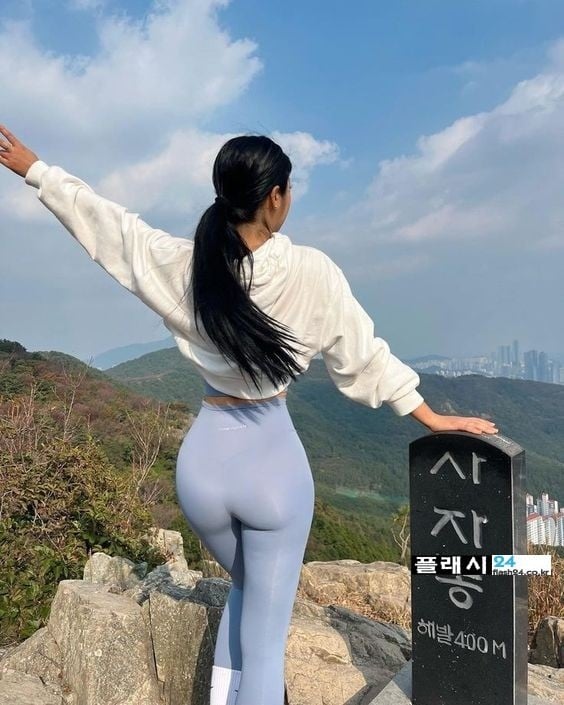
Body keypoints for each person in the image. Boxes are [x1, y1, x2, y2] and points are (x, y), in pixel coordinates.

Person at [0, 125, 498, 705]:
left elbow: (115, 233)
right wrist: (431, 417)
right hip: (271, 472)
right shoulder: (312, 271)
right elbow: (365, 356)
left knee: (249, 589)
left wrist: (37, 171)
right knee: (265, 642)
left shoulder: (191, 266)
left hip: (201, 469)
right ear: (275, 197)